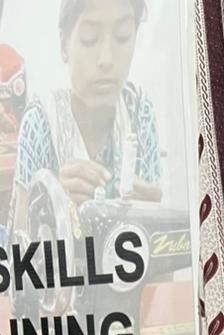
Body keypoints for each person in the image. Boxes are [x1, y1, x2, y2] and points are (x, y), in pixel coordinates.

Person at [9, 0, 160, 233]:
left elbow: (165, 257)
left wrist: (158, 223)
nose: (107, 59)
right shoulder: (40, 123)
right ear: (64, 45)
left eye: (122, 36)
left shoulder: (140, 114)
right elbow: (19, 247)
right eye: (90, 38)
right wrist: (53, 206)